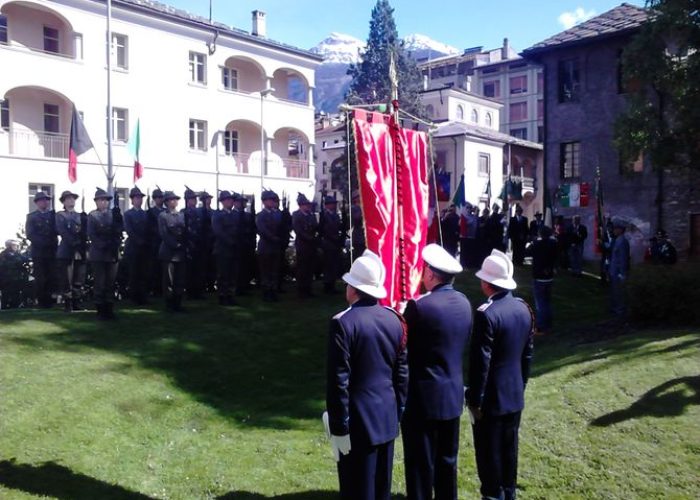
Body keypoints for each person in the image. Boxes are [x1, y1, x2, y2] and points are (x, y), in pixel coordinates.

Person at [326, 250, 408, 500]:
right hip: (386, 415)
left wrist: (339, 425)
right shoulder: (394, 319)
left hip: (357, 421)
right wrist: (398, 411)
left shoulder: (343, 323)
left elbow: (339, 380)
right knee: (381, 486)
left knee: (357, 488)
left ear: (354, 289)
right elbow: (402, 374)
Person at [401, 244, 472, 500]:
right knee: (447, 462)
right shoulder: (464, 302)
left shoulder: (420, 307)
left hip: (423, 399)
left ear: (430, 274)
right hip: (452, 395)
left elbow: (401, 347)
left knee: (420, 466)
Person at [468, 249, 534, 500]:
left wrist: (475, 399)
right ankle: (508, 491)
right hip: (514, 392)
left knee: (489, 453)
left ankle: (494, 494)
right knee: (509, 450)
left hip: (492, 398)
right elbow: (527, 355)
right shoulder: (523, 308)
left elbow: (480, 363)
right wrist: (522, 384)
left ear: (487, 283)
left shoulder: (487, 314)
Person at [87, 188, 123, 320]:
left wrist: (119, 220)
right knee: (100, 283)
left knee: (110, 282)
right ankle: (100, 309)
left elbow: (119, 230)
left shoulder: (113, 214)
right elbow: (92, 234)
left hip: (112, 253)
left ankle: (109, 308)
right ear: (96, 202)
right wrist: (104, 244)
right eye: (101, 200)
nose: (104, 202)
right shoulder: (92, 216)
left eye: (106, 200)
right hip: (99, 253)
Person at [55, 190, 86, 312]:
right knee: (66, 279)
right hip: (66, 250)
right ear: (64, 202)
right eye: (68, 199)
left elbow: (84, 232)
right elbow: (62, 231)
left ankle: (76, 303)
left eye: (73, 198)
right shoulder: (60, 215)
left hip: (79, 250)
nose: (71, 200)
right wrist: (75, 243)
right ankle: (68, 304)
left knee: (79, 278)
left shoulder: (80, 216)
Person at [26, 191, 57, 308]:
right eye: (42, 200)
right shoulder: (32, 216)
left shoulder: (53, 215)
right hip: (39, 251)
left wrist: (50, 243)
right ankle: (41, 300)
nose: (45, 202)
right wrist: (43, 243)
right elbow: (30, 234)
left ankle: (50, 300)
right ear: (37, 202)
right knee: (40, 277)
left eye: (47, 200)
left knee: (51, 276)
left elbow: (56, 230)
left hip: (51, 250)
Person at [526, 226, 558, 335]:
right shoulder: (553, 244)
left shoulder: (536, 244)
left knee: (540, 303)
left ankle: (541, 326)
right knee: (547, 302)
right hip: (549, 276)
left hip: (539, 276)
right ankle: (548, 324)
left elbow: (527, 251)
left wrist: (532, 242)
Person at [159, 191, 187, 312]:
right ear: (166, 202)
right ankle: (170, 304)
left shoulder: (181, 215)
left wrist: (183, 244)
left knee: (179, 280)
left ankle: (178, 303)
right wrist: (176, 244)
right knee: (169, 281)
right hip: (169, 252)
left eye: (175, 199)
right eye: (171, 200)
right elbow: (164, 234)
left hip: (180, 253)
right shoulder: (163, 216)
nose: (174, 201)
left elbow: (185, 231)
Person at [212, 191, 241, 306]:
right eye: (227, 200)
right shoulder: (217, 215)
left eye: (231, 200)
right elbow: (218, 232)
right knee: (223, 274)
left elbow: (239, 230)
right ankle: (222, 295)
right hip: (222, 249)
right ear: (222, 202)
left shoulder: (235, 215)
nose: (230, 202)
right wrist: (230, 241)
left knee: (232, 274)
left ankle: (230, 295)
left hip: (234, 248)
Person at [123, 187, 150, 306]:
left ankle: (143, 296)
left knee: (143, 273)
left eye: (141, 198)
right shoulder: (128, 214)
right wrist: (138, 240)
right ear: (132, 200)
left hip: (144, 247)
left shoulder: (145, 214)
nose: (139, 200)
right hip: (133, 247)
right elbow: (129, 229)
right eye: (137, 198)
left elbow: (148, 229)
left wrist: (144, 241)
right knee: (133, 273)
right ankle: (133, 297)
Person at [256, 190, 283, 302]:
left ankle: (273, 290)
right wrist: (274, 238)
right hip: (266, 246)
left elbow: (282, 227)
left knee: (274, 270)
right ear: (264, 202)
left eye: (273, 200)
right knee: (266, 271)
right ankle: (266, 292)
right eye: (269, 200)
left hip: (275, 247)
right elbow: (262, 230)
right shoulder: (261, 215)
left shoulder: (277, 214)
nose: (272, 202)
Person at [292, 193, 318, 298]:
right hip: (302, 245)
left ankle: (308, 288)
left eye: (308, 205)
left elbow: (315, 226)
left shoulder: (311, 215)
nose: (307, 206)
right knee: (302, 268)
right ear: (300, 205)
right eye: (305, 205)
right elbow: (298, 230)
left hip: (311, 245)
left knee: (310, 268)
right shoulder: (296, 215)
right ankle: (301, 290)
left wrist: (314, 237)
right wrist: (309, 237)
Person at [182, 187, 205, 299]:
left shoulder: (200, 212)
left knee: (199, 269)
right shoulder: (183, 212)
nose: (194, 201)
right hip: (188, 244)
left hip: (199, 243)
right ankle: (190, 291)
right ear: (187, 200)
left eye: (195, 199)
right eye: (192, 199)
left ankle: (198, 291)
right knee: (189, 270)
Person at [320, 196, 343, 294]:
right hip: (328, 242)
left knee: (334, 264)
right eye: (332, 203)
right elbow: (323, 229)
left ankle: (332, 285)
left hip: (335, 242)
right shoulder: (324, 215)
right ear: (327, 205)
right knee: (328, 265)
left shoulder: (336, 215)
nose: (334, 205)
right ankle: (327, 285)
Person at [609, 219, 630, 318]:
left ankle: (620, 310)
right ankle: (615, 308)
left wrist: (622, 273)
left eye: (616, 229)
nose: (614, 230)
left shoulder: (622, 241)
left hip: (618, 272)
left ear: (621, 230)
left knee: (619, 292)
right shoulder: (617, 240)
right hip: (614, 271)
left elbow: (622, 258)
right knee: (615, 291)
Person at [0, 239, 28, 309]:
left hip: (17, 278)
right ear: (9, 246)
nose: (16, 247)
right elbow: (3, 265)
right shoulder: (3, 255)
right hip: (6, 279)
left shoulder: (18, 254)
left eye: (16, 245)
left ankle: (15, 306)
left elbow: (25, 261)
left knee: (16, 294)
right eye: (14, 245)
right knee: (6, 294)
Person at [148, 188, 166, 296]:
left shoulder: (165, 211)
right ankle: (155, 289)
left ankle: (162, 288)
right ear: (154, 199)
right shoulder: (151, 212)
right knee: (154, 267)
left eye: (161, 197)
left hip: (164, 242)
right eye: (158, 197)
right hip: (154, 242)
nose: (160, 199)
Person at [198, 191, 217, 293]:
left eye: (209, 198)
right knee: (203, 265)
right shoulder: (199, 212)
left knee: (212, 265)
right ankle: (202, 285)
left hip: (212, 241)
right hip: (202, 242)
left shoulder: (214, 212)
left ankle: (211, 284)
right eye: (206, 199)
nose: (208, 200)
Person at [351, 190, 366, 259]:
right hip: (358, 237)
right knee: (359, 254)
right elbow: (357, 217)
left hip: (364, 237)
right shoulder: (353, 208)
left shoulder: (362, 207)